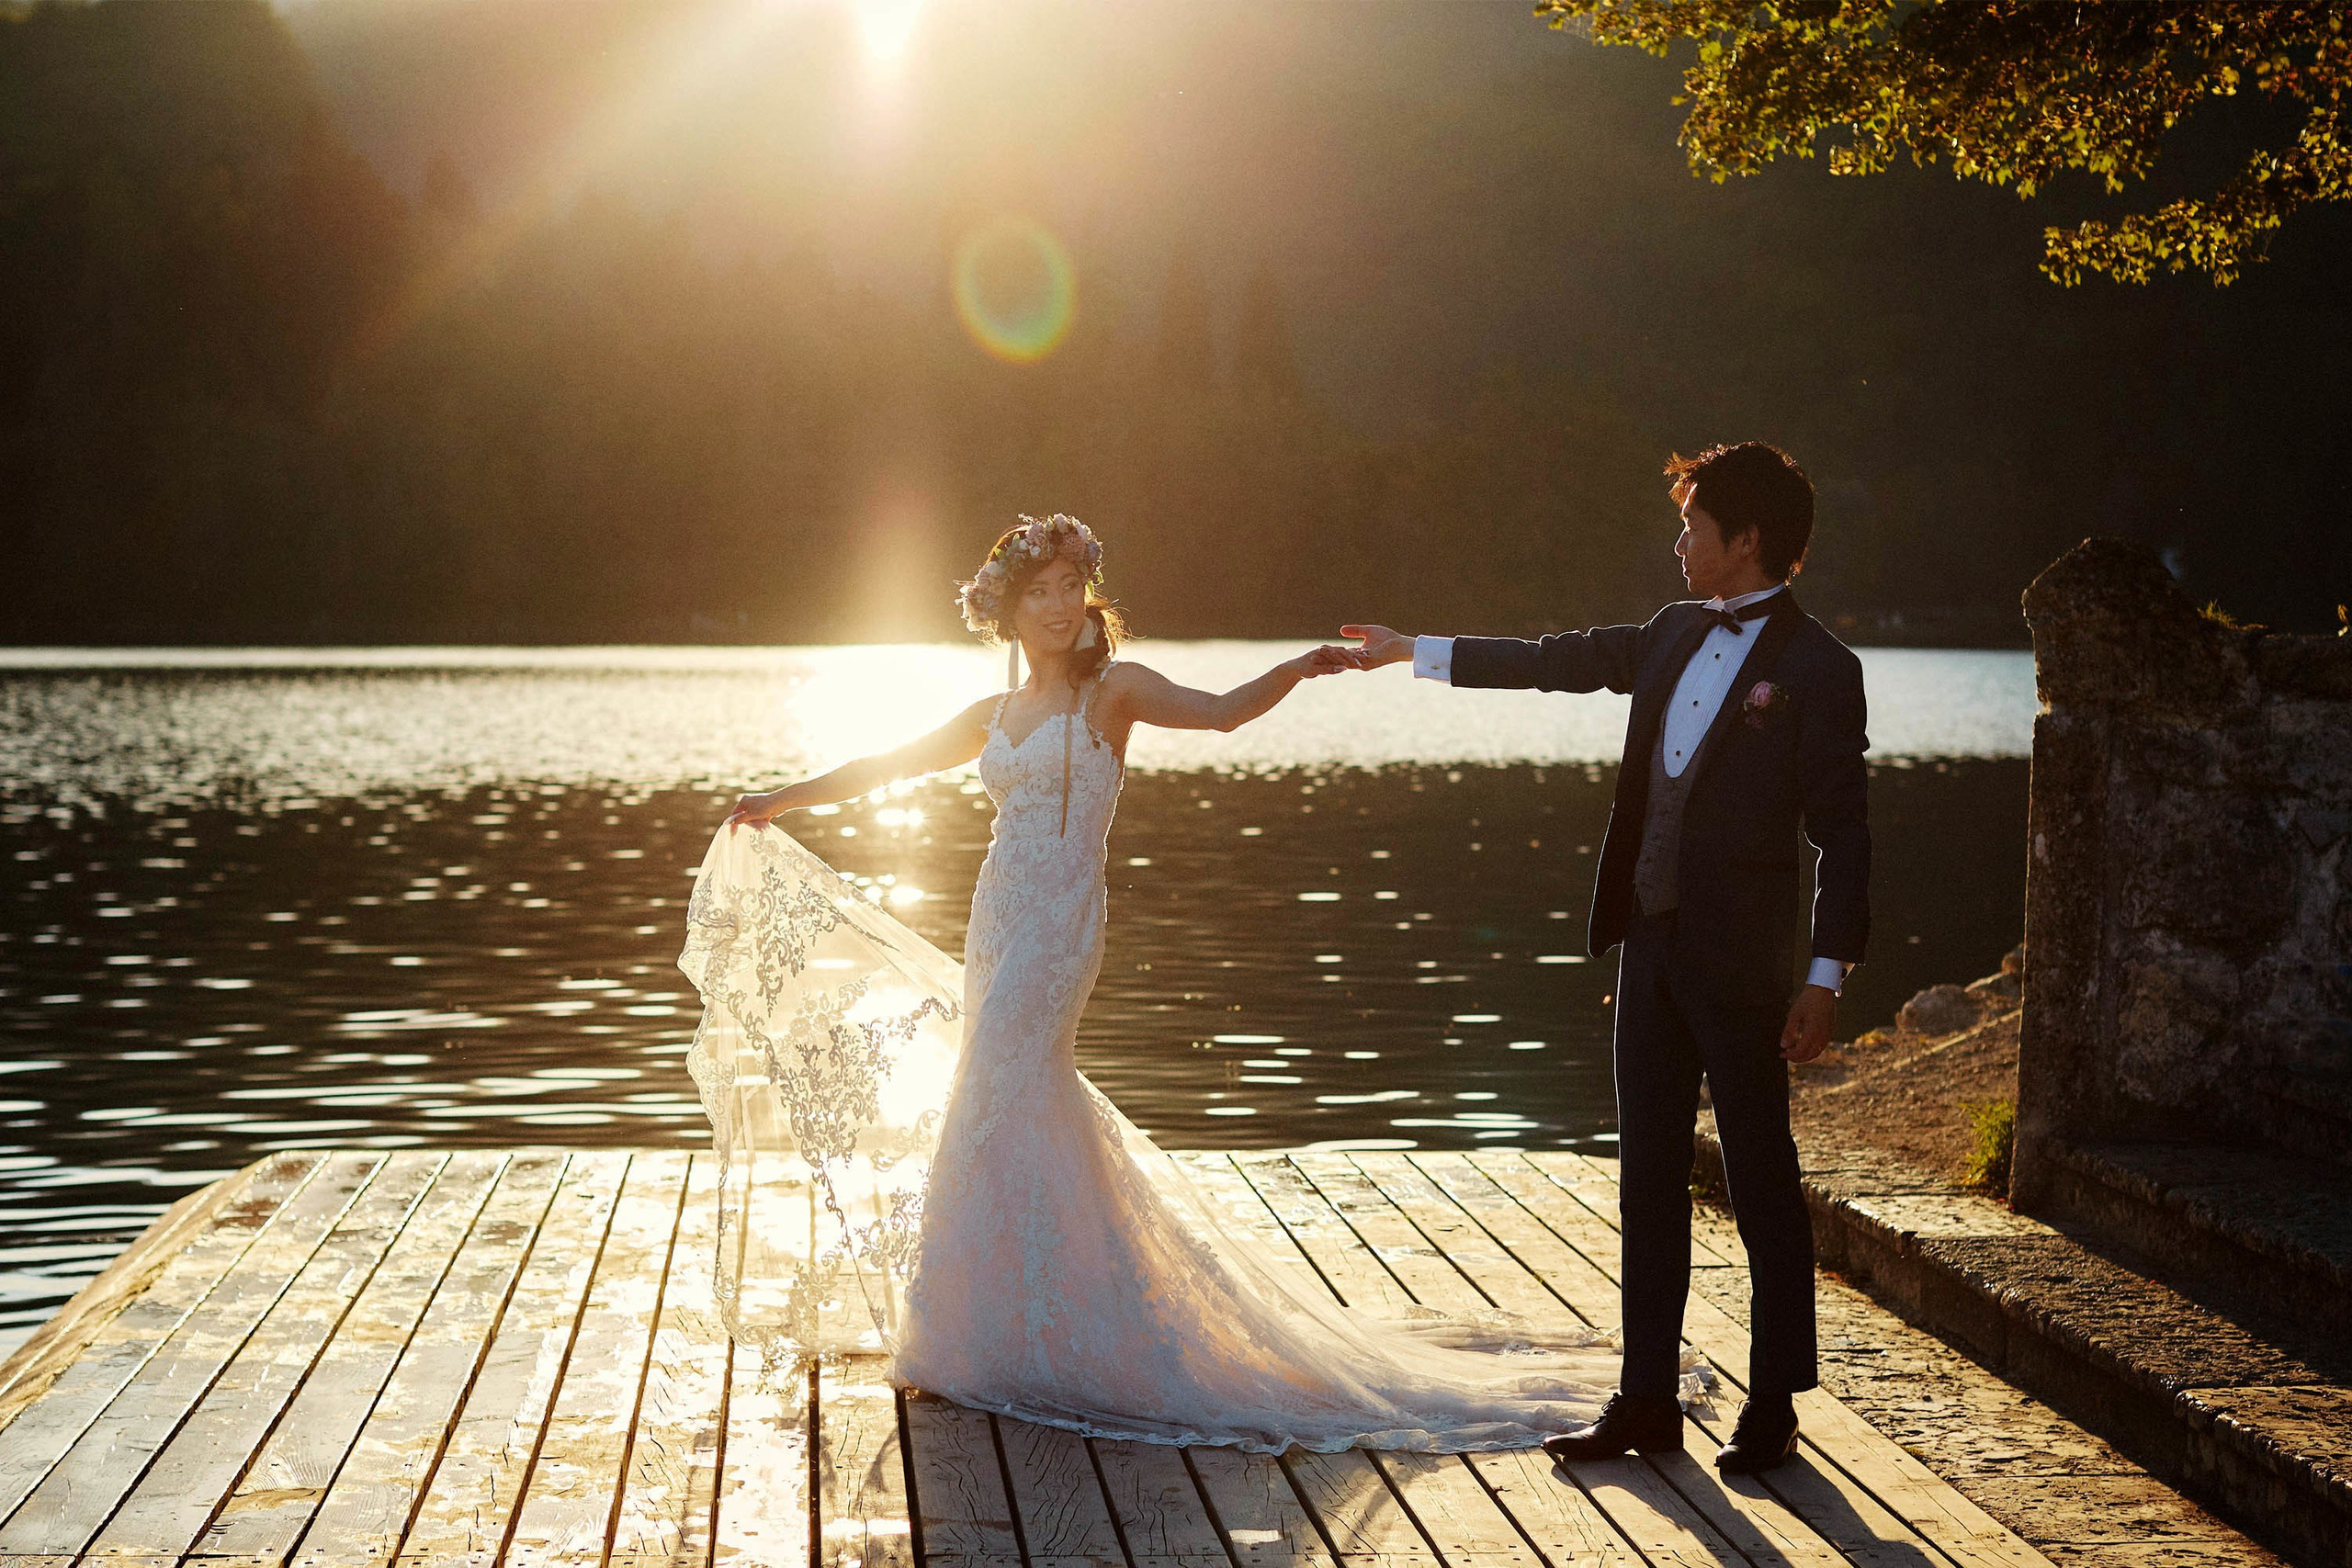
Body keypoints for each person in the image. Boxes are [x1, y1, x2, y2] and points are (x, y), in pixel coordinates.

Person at [684, 513, 1626, 1454]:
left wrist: (1295, 670)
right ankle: (986, 1329)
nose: (1057, 608)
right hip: (996, 916)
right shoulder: (992, 716)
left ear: (1086, 598)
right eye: (1037, 593)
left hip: (1061, 923)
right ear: (1006, 613)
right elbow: (884, 765)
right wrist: (779, 798)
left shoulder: (1115, 692)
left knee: (996, 1087)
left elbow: (1218, 713)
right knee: (1002, 1096)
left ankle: (1024, 1331)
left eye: (1068, 589)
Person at [1342, 441, 1870, 1475]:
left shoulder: (1819, 669)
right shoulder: (1670, 633)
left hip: (1749, 970)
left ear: (1746, 539)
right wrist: (1419, 651)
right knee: (1645, 1179)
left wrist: (1823, 975)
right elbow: (1558, 659)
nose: (1678, 543)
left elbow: (1844, 837)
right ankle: (1645, 1401)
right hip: (1650, 953)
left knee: (1763, 1181)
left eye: (1692, 526)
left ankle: (1773, 1403)